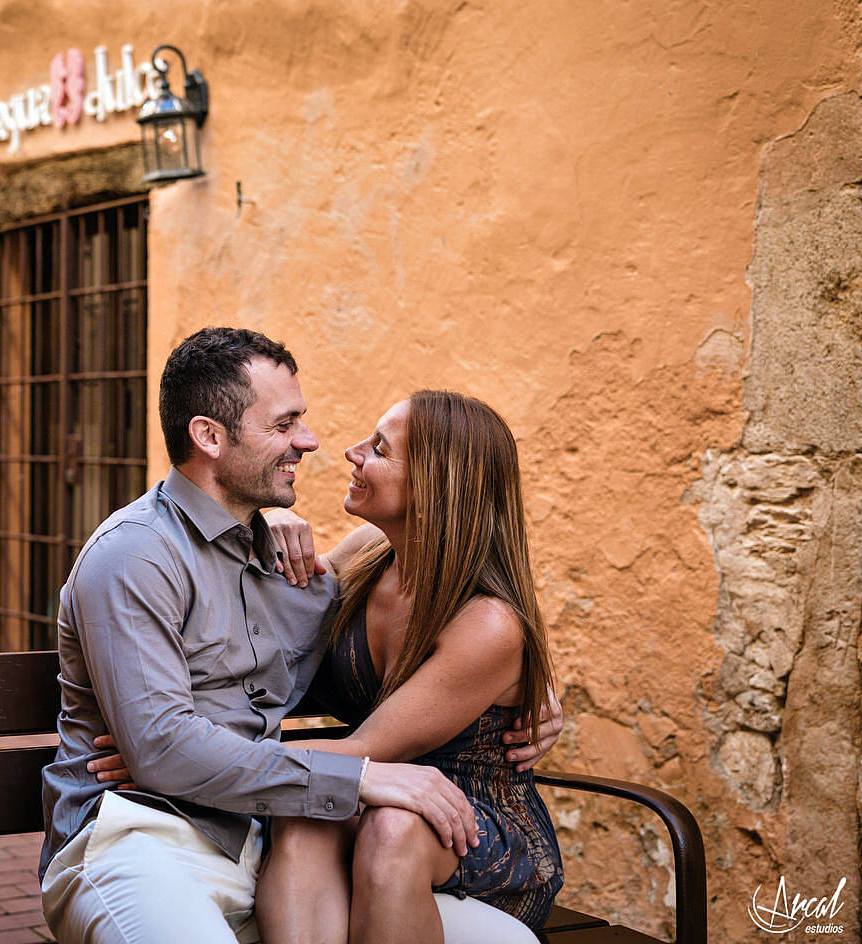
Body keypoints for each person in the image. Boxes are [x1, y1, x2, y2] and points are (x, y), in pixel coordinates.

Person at [39, 328, 560, 944]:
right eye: (285, 424)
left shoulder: (288, 568)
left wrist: (534, 692)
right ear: (210, 436)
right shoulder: (137, 555)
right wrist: (173, 756)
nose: (314, 442)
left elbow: (468, 642)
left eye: (379, 448)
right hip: (147, 835)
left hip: (275, 838)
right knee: (316, 826)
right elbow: (167, 749)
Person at [252, 391, 564, 943]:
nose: (351, 452)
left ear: (434, 486)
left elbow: (360, 751)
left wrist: (188, 756)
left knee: (391, 828)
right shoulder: (368, 552)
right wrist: (267, 524)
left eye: (379, 448)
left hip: (472, 826)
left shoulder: (487, 624)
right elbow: (276, 628)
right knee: (308, 810)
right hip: (373, 791)